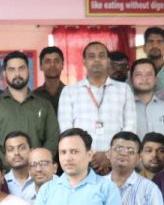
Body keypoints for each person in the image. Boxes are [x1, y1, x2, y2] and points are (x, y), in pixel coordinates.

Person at [57, 42, 136, 174]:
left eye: (101, 56)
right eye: (92, 56)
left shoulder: (124, 90)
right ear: (84, 62)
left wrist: (109, 156)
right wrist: (89, 156)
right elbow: (67, 132)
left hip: (117, 165)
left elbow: (130, 129)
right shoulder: (69, 91)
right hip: (81, 165)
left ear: (108, 61)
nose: (97, 60)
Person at [0, 51, 58, 160]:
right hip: (3, 169)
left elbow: (53, 139)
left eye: (21, 68)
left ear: (28, 71)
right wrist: (8, 165)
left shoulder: (44, 105)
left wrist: (38, 161)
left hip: (38, 168)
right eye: (12, 69)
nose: (17, 74)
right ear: (4, 74)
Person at [132, 59, 164, 140]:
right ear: (131, 79)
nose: (144, 78)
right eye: (139, 74)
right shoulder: (123, 108)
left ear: (155, 79)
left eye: (149, 74)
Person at [3, 132, 35, 199]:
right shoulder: (1, 183)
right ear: (5, 155)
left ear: (31, 151)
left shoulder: (45, 179)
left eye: (22, 148)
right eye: (10, 149)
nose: (16, 153)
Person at [34, 46, 65, 113]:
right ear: (41, 66)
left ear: (62, 65)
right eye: (47, 61)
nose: (52, 65)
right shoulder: (34, 96)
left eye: (56, 61)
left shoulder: (70, 94)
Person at [141, 27, 164, 92]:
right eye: (150, 41)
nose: (155, 46)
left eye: (159, 42)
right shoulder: (133, 73)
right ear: (144, 48)